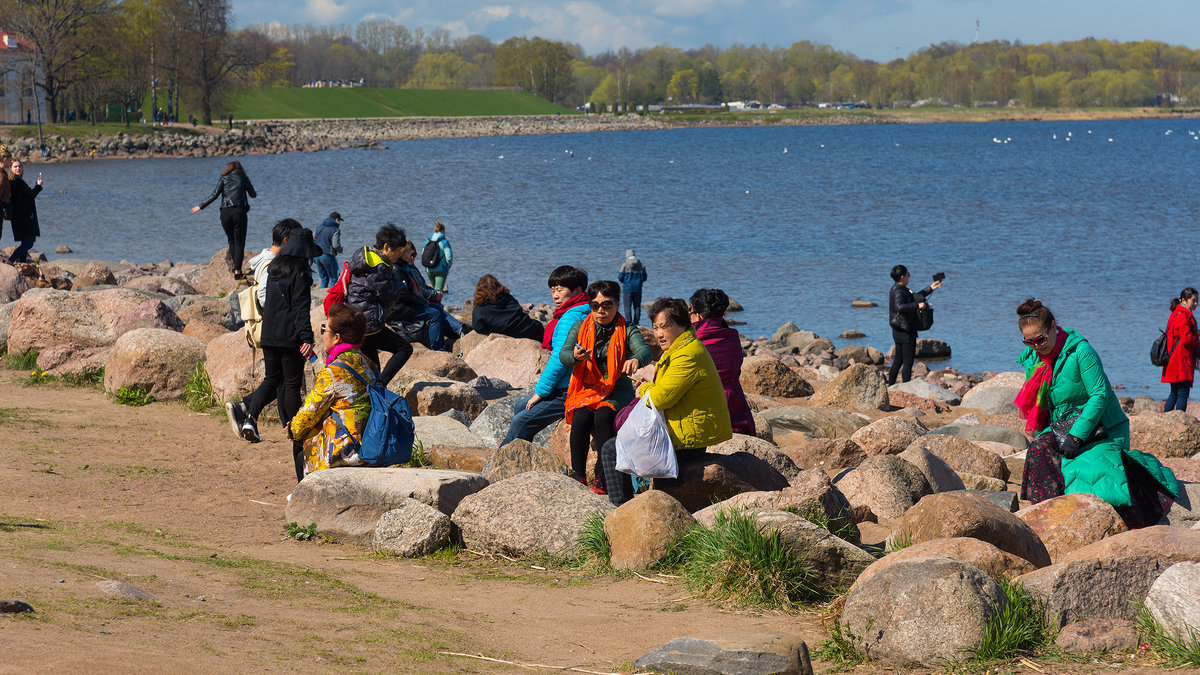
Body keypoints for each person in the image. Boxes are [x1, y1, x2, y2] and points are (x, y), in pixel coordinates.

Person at [1014, 298, 1179, 528]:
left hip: (1102, 429)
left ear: (1053, 326)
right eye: (1028, 341)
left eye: (1039, 339)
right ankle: (1047, 516)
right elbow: (1045, 405)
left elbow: (1099, 396)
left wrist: (1076, 436)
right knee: (1039, 450)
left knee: (1099, 478)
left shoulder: (1081, 351)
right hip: (1064, 428)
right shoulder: (1034, 356)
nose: (1035, 346)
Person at [600, 297, 732, 506]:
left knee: (611, 449)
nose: (659, 334)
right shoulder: (682, 348)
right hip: (681, 429)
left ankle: (621, 510)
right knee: (617, 442)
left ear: (682, 325)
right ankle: (627, 509)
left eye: (664, 326)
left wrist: (644, 388)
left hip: (689, 439)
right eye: (655, 328)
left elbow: (661, 398)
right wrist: (650, 387)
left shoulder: (687, 354)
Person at [226, 226, 322, 478]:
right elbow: (300, 310)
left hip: (269, 335)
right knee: (291, 385)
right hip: (290, 337)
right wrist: (307, 338)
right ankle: (295, 428)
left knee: (272, 379)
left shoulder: (274, 269)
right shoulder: (300, 274)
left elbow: (269, 301)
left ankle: (249, 415)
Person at [560, 280, 652, 492]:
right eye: (595, 305)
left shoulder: (627, 328)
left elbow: (645, 351)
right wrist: (574, 356)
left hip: (617, 388)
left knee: (602, 416)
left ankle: (604, 477)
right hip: (588, 387)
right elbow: (564, 355)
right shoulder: (580, 327)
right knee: (581, 417)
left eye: (607, 305)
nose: (601, 310)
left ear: (618, 305)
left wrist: (636, 359)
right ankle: (579, 476)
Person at [500, 265, 590, 446]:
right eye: (553, 290)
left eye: (560, 290)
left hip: (569, 389)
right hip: (569, 384)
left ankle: (503, 462)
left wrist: (540, 392)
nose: (555, 295)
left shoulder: (570, 318)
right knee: (520, 407)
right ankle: (522, 456)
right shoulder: (580, 310)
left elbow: (559, 360)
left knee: (521, 421)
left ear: (577, 291)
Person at [289, 302, 374, 479]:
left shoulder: (332, 372)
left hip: (347, 450)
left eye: (324, 329)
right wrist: (313, 359)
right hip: (370, 441)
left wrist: (291, 429)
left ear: (336, 338)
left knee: (300, 447)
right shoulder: (366, 362)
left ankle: (304, 500)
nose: (322, 334)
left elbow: (308, 413)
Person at [347, 223, 412, 386]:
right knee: (404, 349)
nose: (399, 255)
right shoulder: (379, 267)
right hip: (369, 324)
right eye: (398, 251)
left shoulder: (366, 257)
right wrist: (400, 286)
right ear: (386, 247)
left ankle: (374, 391)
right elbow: (388, 295)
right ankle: (381, 386)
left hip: (358, 319)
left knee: (373, 368)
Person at [689, 288, 755, 436]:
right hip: (736, 410)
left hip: (706, 408)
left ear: (698, 315)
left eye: (690, 312)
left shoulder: (692, 341)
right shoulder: (732, 336)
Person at [390, 241, 463, 351]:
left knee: (436, 308)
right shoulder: (398, 269)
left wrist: (430, 295)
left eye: (413, 255)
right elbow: (405, 295)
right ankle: (439, 348)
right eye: (411, 254)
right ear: (403, 253)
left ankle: (458, 330)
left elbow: (419, 288)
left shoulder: (405, 267)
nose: (412, 257)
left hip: (405, 305)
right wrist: (423, 300)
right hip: (399, 310)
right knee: (434, 314)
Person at [191, 160, 257, 279]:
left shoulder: (224, 178)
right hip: (239, 212)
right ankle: (238, 271)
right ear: (240, 169)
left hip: (225, 213)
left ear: (228, 169)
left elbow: (214, 195)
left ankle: (234, 267)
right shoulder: (244, 179)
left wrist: (200, 206)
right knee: (240, 242)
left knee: (231, 240)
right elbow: (253, 194)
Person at [886, 264, 943, 384]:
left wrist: (931, 288)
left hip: (899, 328)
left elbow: (915, 297)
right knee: (907, 362)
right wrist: (918, 306)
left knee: (899, 360)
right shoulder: (899, 290)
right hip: (905, 329)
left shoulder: (899, 288)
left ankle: (890, 385)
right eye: (908, 274)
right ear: (902, 277)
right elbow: (899, 307)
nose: (909, 276)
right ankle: (906, 386)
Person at [471, 274, 544, 341]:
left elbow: (478, 327)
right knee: (539, 326)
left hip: (504, 331)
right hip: (524, 328)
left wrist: (491, 329)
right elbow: (518, 309)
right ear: (497, 286)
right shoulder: (507, 297)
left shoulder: (480, 308)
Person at [1162, 287, 1199, 412]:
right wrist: (1197, 336)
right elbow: (1186, 339)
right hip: (1181, 361)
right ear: (1184, 300)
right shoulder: (1182, 316)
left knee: (1174, 393)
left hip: (1175, 359)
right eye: (1193, 301)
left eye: (1197, 300)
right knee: (1182, 394)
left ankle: (1167, 420)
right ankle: (1179, 422)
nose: (1196, 304)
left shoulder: (1176, 313)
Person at [246, 220, 298, 306]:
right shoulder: (271, 264)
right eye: (295, 241)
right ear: (286, 240)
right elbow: (262, 298)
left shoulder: (264, 258)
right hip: (270, 316)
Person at [7, 159, 42, 264]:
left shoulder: (14, 181)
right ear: (11, 169)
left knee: (25, 241)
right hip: (23, 217)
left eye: (20, 166)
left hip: (20, 216)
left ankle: (22, 264)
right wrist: (38, 186)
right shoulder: (17, 181)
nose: (18, 169)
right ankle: (11, 260)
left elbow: (27, 195)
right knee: (29, 242)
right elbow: (31, 195)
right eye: (15, 167)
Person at [313, 212, 344, 288]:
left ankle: (322, 296)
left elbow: (313, 239)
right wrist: (340, 250)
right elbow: (335, 245)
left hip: (317, 256)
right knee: (334, 278)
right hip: (327, 255)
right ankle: (332, 298)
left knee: (324, 278)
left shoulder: (319, 227)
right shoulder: (335, 229)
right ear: (337, 219)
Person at [617, 249, 648, 325]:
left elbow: (620, 276)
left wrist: (625, 282)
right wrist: (639, 282)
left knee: (627, 306)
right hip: (638, 288)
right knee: (637, 306)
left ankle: (629, 322)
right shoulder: (641, 265)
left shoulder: (625, 264)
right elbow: (644, 277)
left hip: (627, 288)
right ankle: (637, 322)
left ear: (627, 255)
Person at [423, 221, 452, 291]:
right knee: (438, 292)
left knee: (434, 291)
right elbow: (449, 257)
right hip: (441, 270)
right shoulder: (444, 241)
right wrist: (447, 267)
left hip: (429, 269)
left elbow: (423, 253)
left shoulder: (428, 240)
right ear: (443, 231)